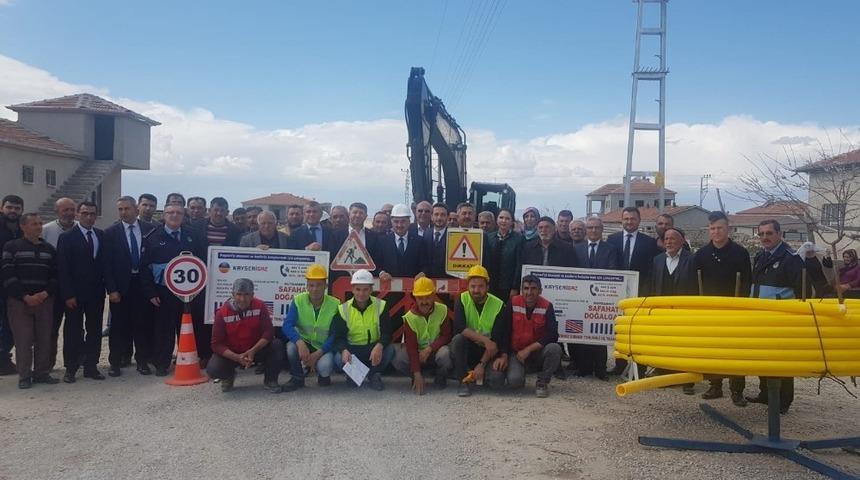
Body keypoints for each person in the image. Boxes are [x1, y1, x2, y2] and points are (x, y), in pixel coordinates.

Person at [139, 204, 206, 376]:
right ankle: (162, 363)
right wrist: (151, 293)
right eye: (170, 212)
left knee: (188, 327)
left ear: (184, 215)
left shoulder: (193, 236)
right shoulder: (152, 237)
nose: (174, 216)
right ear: (164, 215)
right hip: (163, 292)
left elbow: (202, 262)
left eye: (178, 213)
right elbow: (145, 267)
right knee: (164, 329)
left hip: (190, 293)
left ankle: (190, 359)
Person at [694, 211, 751, 406]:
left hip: (734, 310)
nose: (716, 232)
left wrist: (741, 307)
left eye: (719, 228)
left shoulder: (740, 253)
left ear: (728, 229)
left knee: (736, 351)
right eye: (712, 229)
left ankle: (737, 390)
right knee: (712, 350)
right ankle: (715, 385)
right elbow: (695, 283)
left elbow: (746, 282)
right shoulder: (701, 254)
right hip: (709, 311)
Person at [746, 219, 803, 414]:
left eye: (769, 233)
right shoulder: (760, 256)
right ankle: (765, 394)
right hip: (760, 317)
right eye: (761, 234)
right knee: (764, 357)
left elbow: (801, 290)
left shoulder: (790, 258)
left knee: (781, 360)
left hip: (781, 319)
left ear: (779, 234)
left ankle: (783, 401)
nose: (764, 238)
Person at [1, 213, 60, 388]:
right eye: (34, 224)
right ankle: (24, 376)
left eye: (40, 223)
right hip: (20, 302)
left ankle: (41, 373)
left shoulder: (49, 248)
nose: (39, 226)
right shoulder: (11, 247)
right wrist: (25, 296)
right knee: (23, 340)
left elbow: (55, 276)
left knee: (44, 338)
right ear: (23, 226)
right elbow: (7, 274)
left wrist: (44, 294)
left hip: (44, 301)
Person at [104, 196, 156, 376]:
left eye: (127, 209)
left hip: (142, 285)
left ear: (136, 209)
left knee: (142, 325)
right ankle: (115, 363)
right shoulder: (111, 232)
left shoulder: (150, 229)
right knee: (118, 327)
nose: (123, 212)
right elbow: (107, 264)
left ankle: (142, 361)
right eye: (120, 209)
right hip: (121, 287)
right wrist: (111, 289)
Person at [57, 201, 107, 383]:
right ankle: (71, 368)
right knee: (73, 331)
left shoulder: (101, 235)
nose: (89, 217)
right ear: (78, 214)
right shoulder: (67, 237)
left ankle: (91, 366)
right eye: (85, 213)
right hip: (75, 295)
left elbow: (104, 265)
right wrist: (68, 294)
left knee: (94, 330)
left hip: (96, 294)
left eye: (92, 213)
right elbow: (63, 268)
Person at [607, 207, 660, 376]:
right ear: (621, 220)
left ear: (639, 221)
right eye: (626, 219)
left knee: (639, 332)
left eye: (633, 219)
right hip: (617, 293)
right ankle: (620, 364)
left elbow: (652, 269)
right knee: (620, 330)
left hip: (640, 293)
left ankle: (640, 366)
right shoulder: (611, 239)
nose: (629, 222)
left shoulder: (649, 243)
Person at [207, 278, 284, 393]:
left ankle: (270, 380)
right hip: (232, 353)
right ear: (233, 294)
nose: (242, 299)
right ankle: (228, 377)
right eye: (238, 294)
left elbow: (268, 333)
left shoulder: (260, 306)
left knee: (277, 345)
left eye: (247, 295)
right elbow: (216, 344)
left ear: (252, 295)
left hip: (255, 350)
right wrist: (236, 357)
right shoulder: (222, 313)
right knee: (214, 369)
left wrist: (253, 351)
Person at [649, 227, 699, 394]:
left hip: (684, 311)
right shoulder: (657, 260)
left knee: (685, 346)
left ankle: (687, 381)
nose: (669, 241)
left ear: (682, 241)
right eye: (666, 239)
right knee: (665, 344)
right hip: (663, 312)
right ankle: (665, 376)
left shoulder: (692, 260)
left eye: (673, 238)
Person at [572, 217, 619, 379]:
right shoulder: (577, 248)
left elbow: (613, 271)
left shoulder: (610, 249)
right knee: (583, 333)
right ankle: (583, 368)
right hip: (581, 297)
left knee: (599, 334)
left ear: (601, 229)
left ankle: (600, 369)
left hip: (601, 297)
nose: (593, 231)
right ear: (586, 230)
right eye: (590, 228)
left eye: (596, 228)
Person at [452, 265, 510, 397]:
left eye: (480, 286)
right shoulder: (462, 299)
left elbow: (495, 342)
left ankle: (478, 374)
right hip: (470, 348)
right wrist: (484, 340)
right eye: (472, 286)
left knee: (497, 381)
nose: (476, 290)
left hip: (489, 353)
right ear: (468, 286)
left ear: (487, 287)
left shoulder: (499, 305)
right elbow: (460, 327)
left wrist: (481, 365)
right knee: (458, 340)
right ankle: (463, 381)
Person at [281, 264, 341, 390]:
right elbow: (287, 325)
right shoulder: (298, 300)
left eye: (319, 285)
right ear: (307, 286)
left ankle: (323, 376)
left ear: (325, 286)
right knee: (291, 347)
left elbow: (335, 334)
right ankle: (297, 378)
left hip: (323, 347)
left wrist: (318, 354)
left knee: (325, 367)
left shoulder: (335, 304)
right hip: (305, 343)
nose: (315, 289)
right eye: (312, 285)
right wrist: (299, 342)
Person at [390, 277, 453, 395]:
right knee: (396, 356)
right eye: (420, 298)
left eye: (428, 297)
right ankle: (417, 376)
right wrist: (416, 373)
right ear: (415, 298)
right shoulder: (410, 317)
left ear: (434, 295)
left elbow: (446, 336)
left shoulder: (442, 310)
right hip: (418, 354)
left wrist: (429, 349)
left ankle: (440, 376)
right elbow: (411, 348)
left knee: (446, 354)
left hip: (436, 351)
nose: (424, 301)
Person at [332, 269, 393, 390]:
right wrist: (344, 350)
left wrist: (380, 345)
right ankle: (356, 375)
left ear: (371, 289)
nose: (361, 293)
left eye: (365, 289)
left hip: (373, 349)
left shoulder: (380, 306)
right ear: (353, 289)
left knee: (390, 350)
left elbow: (387, 332)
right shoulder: (343, 309)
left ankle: (373, 374)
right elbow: (338, 337)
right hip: (353, 350)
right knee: (339, 358)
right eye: (358, 289)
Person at [503, 275, 561, 397]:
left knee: (554, 348)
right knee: (515, 382)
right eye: (526, 288)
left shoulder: (547, 306)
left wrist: (529, 349)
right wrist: (504, 354)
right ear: (521, 290)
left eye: (533, 288)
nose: (529, 292)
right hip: (516, 353)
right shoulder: (513, 303)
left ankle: (542, 381)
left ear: (540, 290)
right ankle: (519, 372)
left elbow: (553, 334)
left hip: (536, 353)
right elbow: (504, 330)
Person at [40, 197, 76, 369]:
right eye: (65, 210)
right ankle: (47, 365)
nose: (69, 213)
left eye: (71, 210)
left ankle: (74, 362)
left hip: (74, 289)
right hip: (52, 289)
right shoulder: (46, 230)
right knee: (50, 329)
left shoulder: (80, 229)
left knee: (75, 328)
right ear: (57, 211)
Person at [0, 194, 24, 375]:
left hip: (15, 286)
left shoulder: (23, 230)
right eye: (9, 207)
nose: (13, 211)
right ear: (2, 208)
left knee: (11, 324)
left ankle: (4, 358)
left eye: (17, 208)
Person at [518, 217, 577, 288]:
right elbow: (521, 269)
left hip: (559, 288)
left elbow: (572, 272)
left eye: (547, 227)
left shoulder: (567, 248)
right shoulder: (528, 248)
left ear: (554, 229)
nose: (543, 230)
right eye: (540, 228)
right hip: (533, 290)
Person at [376, 203, 429, 281]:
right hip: (388, 290)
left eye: (403, 221)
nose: (399, 225)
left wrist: (423, 273)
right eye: (396, 222)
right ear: (391, 222)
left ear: (409, 221)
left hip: (413, 289)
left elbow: (426, 264)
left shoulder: (420, 241)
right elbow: (376, 263)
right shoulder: (382, 241)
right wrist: (381, 273)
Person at [484, 208, 524, 300]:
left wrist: (515, 287)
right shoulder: (489, 237)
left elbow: (519, 264)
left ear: (512, 221)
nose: (503, 221)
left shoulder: (519, 239)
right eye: (501, 217)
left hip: (508, 286)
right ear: (496, 220)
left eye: (507, 218)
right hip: (491, 284)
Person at [425, 203, 452, 278]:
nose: (439, 218)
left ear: (448, 217)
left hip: (448, 281)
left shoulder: (453, 236)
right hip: (427, 280)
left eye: (443, 215)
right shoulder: (426, 233)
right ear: (431, 216)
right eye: (436, 214)